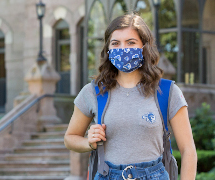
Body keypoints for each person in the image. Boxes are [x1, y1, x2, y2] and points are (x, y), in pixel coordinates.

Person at [64, 13, 197, 180]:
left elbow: (188, 150)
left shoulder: (167, 91)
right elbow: (70, 138)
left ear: (144, 46)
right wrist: (88, 142)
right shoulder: (93, 92)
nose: (122, 49)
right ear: (108, 50)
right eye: (115, 43)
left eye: (131, 42)